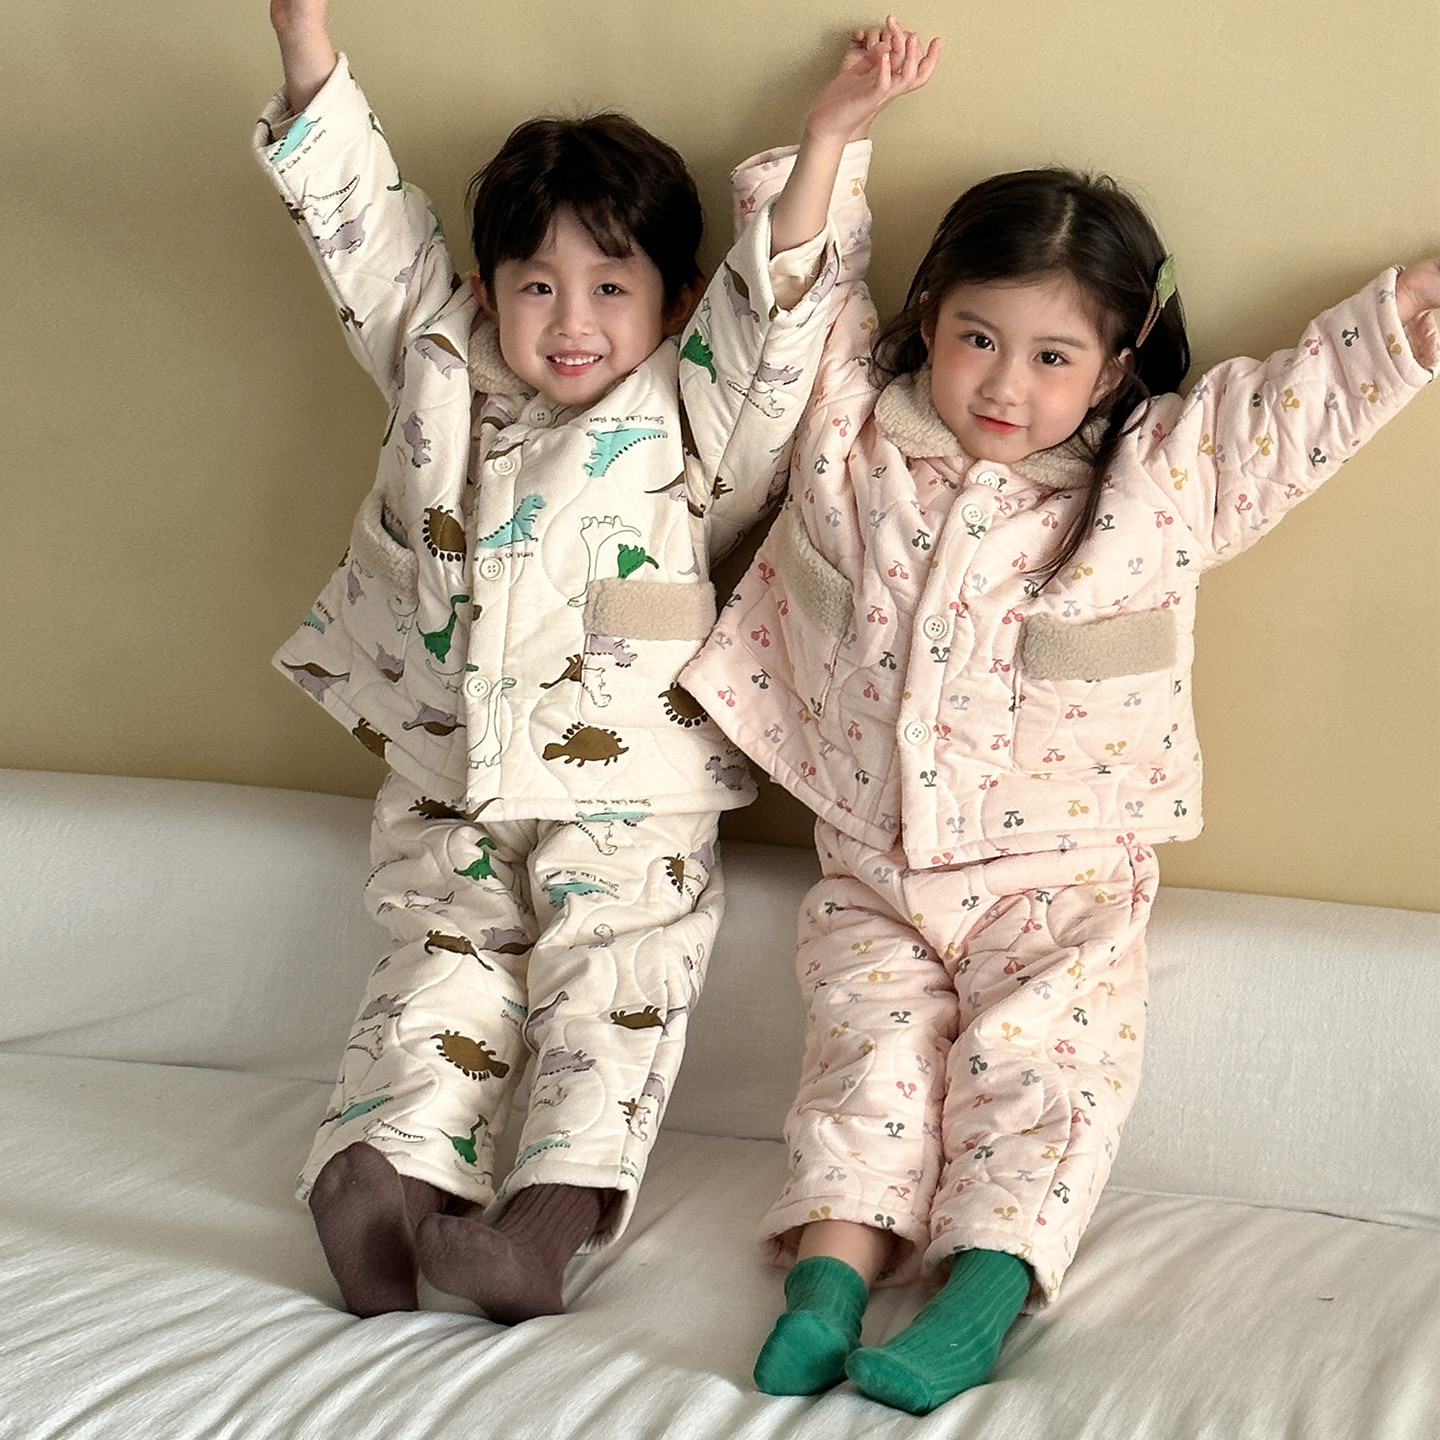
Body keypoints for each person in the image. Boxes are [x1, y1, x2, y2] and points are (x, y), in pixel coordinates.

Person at [682, 134, 1440, 1410]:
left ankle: (976, 1299)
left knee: (1038, 1077)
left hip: (1061, 871)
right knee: (862, 1067)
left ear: (1115, 364)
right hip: (871, 856)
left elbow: (1285, 418)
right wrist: (832, 138)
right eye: (977, 338)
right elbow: (801, 287)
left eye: (1052, 357)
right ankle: (826, 1285)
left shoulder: (1153, 480)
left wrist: (1404, 313)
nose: (1003, 383)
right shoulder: (852, 430)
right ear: (930, 315)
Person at [256, 1, 939, 1324]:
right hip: (452, 764)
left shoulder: (690, 412)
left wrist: (828, 143)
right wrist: (306, 45)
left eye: (610, 288)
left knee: (595, 986)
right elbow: (364, 238)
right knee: (444, 966)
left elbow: (773, 319)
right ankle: (381, 1179)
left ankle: (520, 1222)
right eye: (536, 286)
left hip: (629, 789)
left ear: (673, 304)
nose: (570, 320)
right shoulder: (440, 365)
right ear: (483, 292)